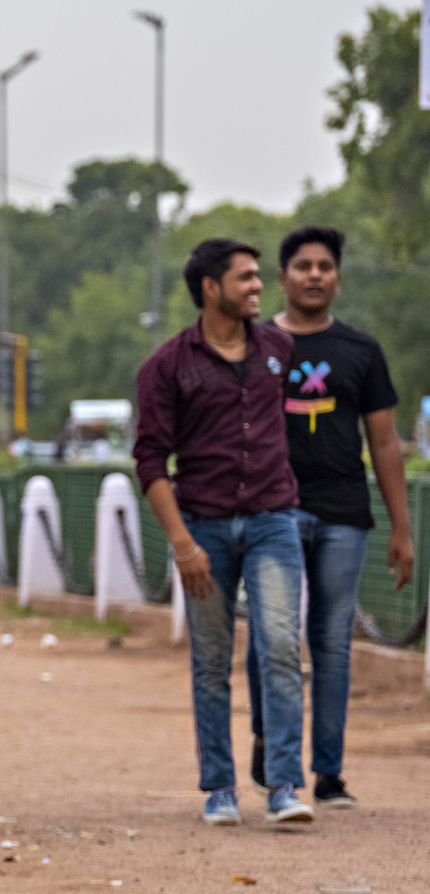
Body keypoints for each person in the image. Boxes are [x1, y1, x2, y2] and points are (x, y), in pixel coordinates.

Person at [136, 238, 311, 826]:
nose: (259, 287)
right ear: (211, 289)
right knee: (211, 661)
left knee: (282, 646)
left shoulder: (279, 350)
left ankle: (285, 783)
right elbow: (150, 461)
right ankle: (220, 787)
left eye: (259, 277)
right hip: (203, 528)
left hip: (272, 520)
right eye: (246, 279)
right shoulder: (167, 366)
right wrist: (182, 544)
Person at [259, 226, 415, 808]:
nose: (315, 275)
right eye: (303, 266)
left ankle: (328, 773)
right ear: (283, 278)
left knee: (331, 643)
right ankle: (270, 746)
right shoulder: (257, 346)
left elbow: (385, 442)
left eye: (325, 266)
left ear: (338, 279)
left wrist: (402, 529)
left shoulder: (360, 352)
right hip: (272, 511)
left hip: (344, 515)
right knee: (273, 636)